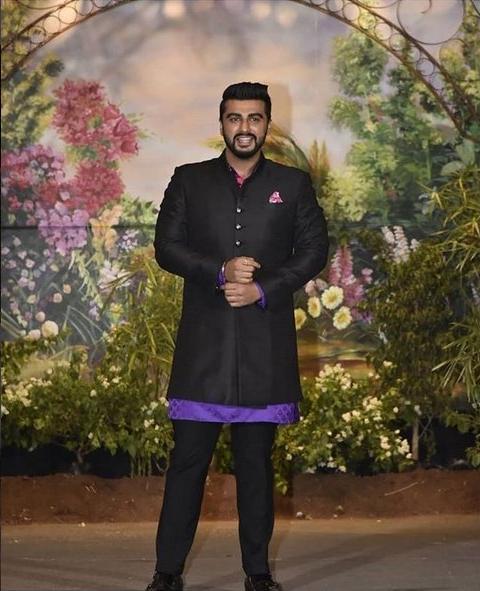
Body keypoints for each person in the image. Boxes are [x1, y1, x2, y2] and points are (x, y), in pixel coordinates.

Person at [146, 82, 329, 591]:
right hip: (203, 347)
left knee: (255, 466)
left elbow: (314, 251)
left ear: (267, 124)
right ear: (222, 123)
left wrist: (263, 289)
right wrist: (219, 271)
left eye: (254, 118)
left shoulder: (293, 184)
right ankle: (166, 573)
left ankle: (258, 574)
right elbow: (166, 247)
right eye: (234, 118)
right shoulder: (189, 180)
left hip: (263, 348)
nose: (244, 127)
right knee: (187, 464)